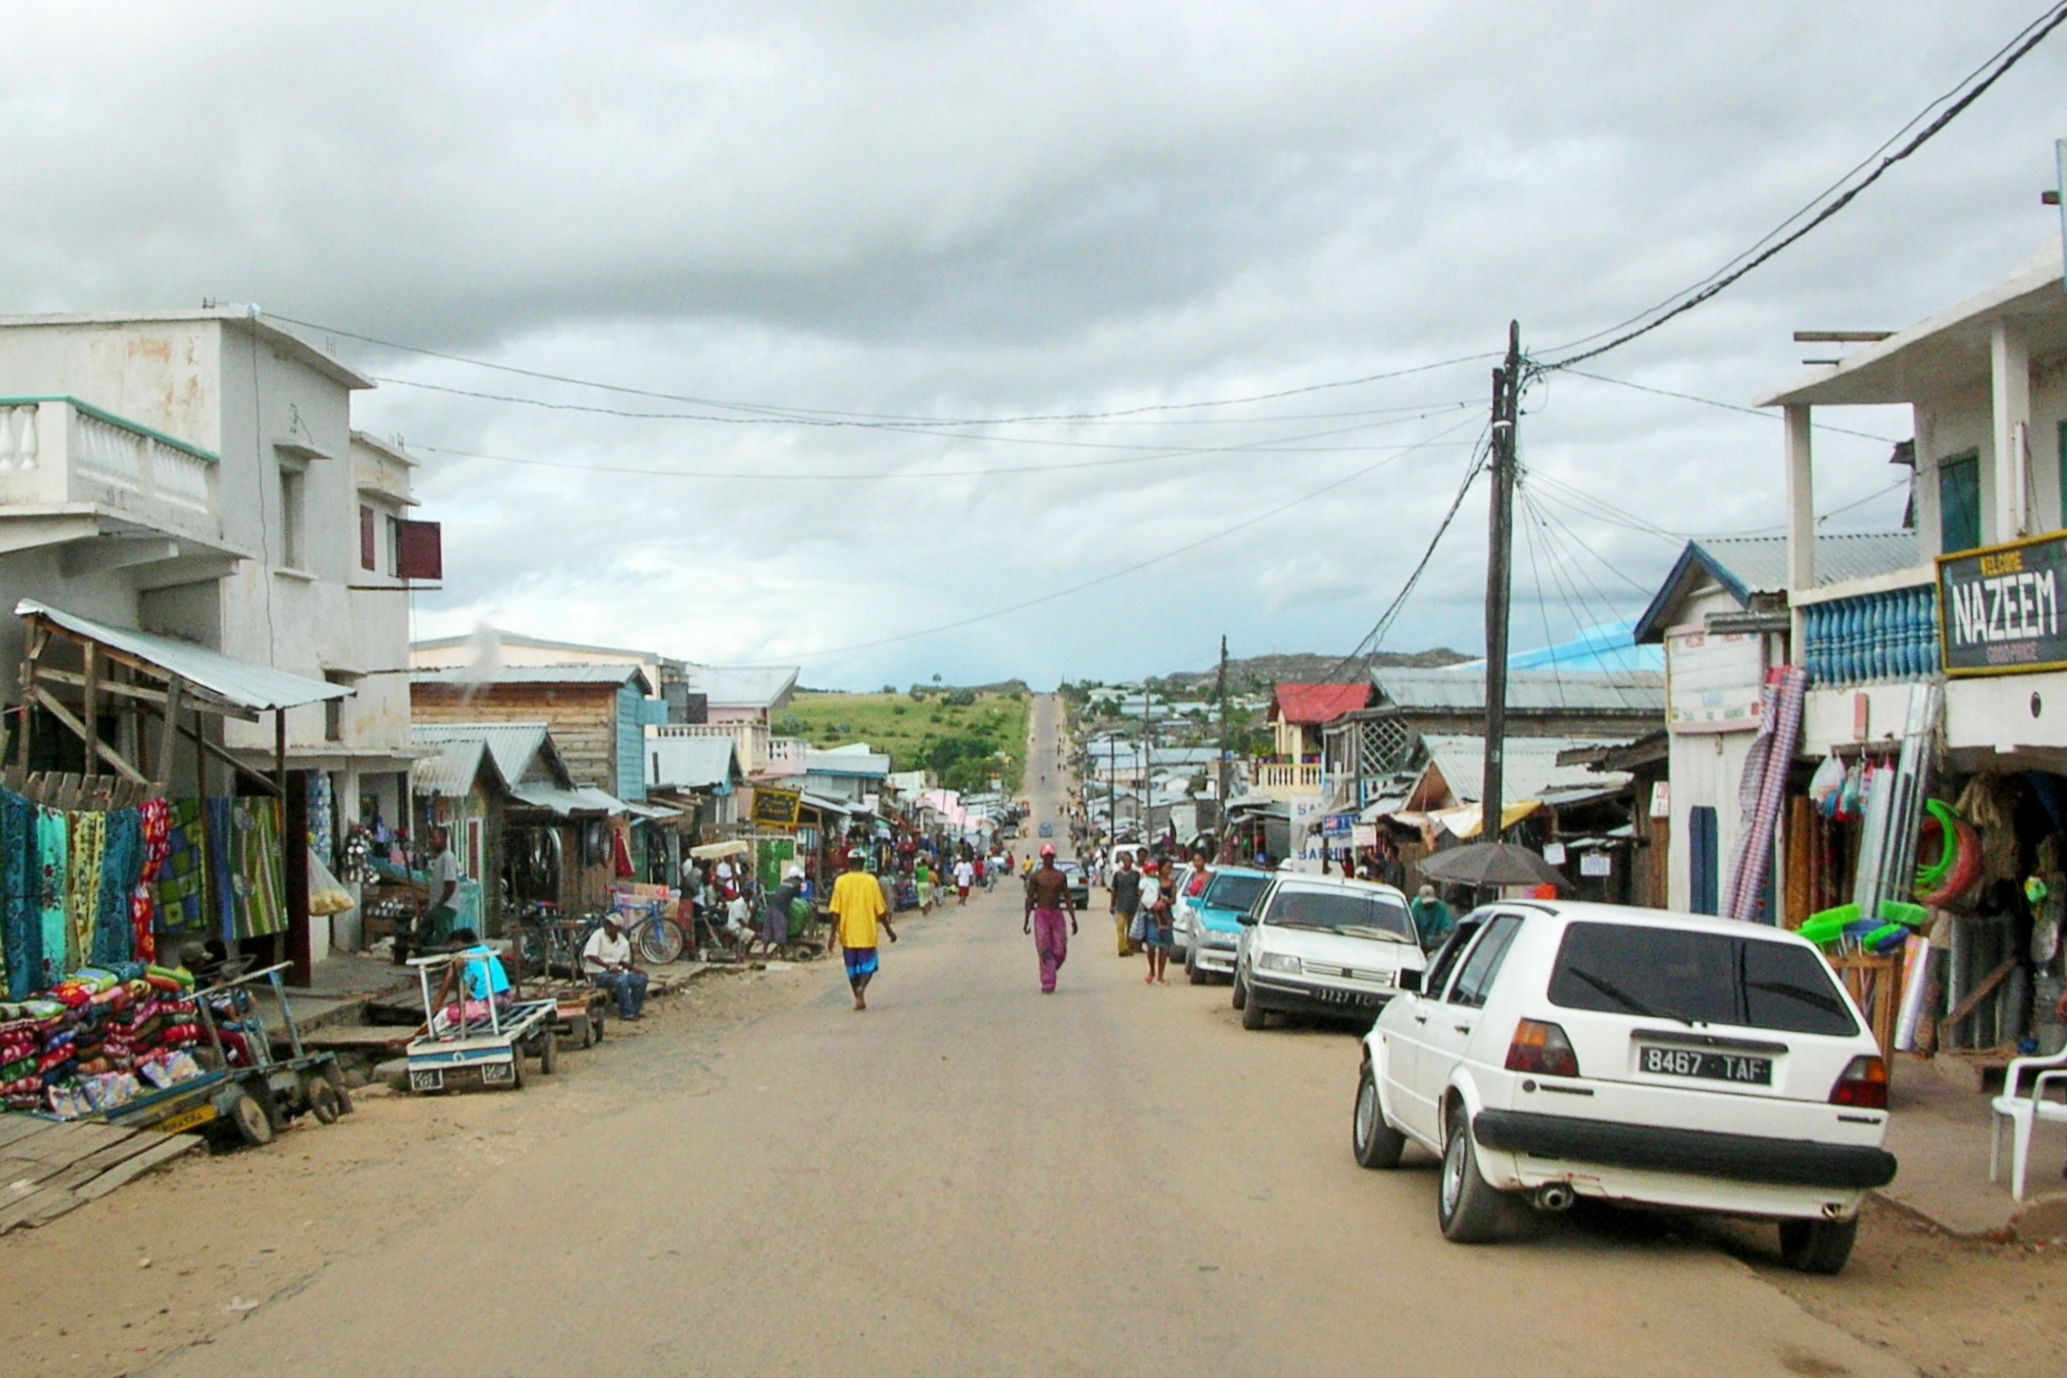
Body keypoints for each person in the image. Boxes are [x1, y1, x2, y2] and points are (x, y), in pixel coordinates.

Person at [829, 849, 897, 1011]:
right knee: (868, 965)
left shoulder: (840, 881)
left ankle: (857, 997)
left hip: (847, 932)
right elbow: (880, 910)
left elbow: (834, 911)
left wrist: (832, 934)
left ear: (849, 863)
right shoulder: (871, 881)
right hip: (866, 931)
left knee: (851, 968)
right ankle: (862, 989)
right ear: (863, 863)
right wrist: (889, 930)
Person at [1022, 842, 1078, 994]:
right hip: (1041, 914)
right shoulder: (1036, 877)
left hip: (1056, 914)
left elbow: (1067, 897)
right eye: (1046, 856)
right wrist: (1026, 921)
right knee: (1045, 949)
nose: (1049, 859)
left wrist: (1073, 919)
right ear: (1042, 857)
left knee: (1059, 950)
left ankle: (1051, 969)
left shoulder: (1060, 876)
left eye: (1051, 856)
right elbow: (1029, 899)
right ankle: (1048, 981)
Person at [431, 928, 512, 1024]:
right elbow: (475, 990)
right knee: (457, 1007)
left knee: (444, 1014)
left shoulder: (463, 956)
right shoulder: (484, 950)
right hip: (506, 1001)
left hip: (489, 1005)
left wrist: (434, 1010)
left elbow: (446, 985)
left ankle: (433, 1035)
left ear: (457, 943)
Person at [582, 913, 649, 1020]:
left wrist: (634, 969)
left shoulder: (623, 941)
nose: (608, 927)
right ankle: (626, 1013)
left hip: (615, 972)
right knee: (620, 980)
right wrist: (608, 967)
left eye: (611, 925)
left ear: (618, 928)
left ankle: (634, 1010)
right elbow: (589, 955)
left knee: (641, 979)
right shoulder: (598, 935)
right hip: (597, 973)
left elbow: (622, 961)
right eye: (607, 924)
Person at [414, 827, 462, 954]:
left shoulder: (448, 858)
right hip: (436, 906)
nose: (431, 841)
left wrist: (441, 904)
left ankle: (445, 964)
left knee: (444, 939)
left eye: (434, 838)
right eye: (430, 838)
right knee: (421, 933)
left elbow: (450, 885)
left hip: (445, 907)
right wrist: (429, 905)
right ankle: (426, 959)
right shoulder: (439, 859)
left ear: (444, 840)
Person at [1136, 861, 1172, 984]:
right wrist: (1150, 905)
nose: (1169, 871)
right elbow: (1140, 896)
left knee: (1164, 947)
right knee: (1151, 944)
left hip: (1166, 913)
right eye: (1167, 868)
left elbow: (1173, 899)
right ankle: (1152, 970)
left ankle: (1160, 975)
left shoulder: (1170, 883)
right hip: (1150, 914)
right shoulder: (1146, 881)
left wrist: (1164, 902)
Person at [1108, 850, 1141, 958]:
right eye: (1125, 860)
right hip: (1120, 904)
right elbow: (1114, 890)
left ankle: (1129, 947)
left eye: (1129, 860)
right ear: (1122, 861)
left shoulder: (1136, 875)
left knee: (1131, 929)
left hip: (1133, 904)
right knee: (1120, 927)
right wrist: (1112, 904)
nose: (1127, 862)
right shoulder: (1117, 875)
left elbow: (1138, 890)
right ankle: (1122, 948)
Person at [1409, 884, 1454, 950]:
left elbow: (1447, 923)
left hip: (1433, 943)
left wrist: (1448, 931)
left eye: (1430, 902)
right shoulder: (1415, 906)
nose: (1428, 904)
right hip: (1418, 942)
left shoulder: (1440, 907)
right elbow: (1411, 925)